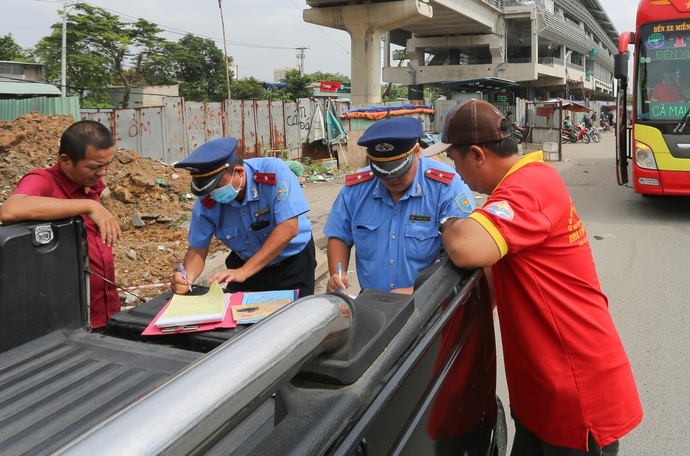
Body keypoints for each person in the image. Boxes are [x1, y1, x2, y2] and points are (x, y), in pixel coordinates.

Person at [423, 100, 642, 455]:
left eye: (454, 158)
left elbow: (465, 246)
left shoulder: (529, 187)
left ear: (477, 155)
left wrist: (446, 221)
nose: (454, 170)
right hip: (542, 386)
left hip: (573, 387)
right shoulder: (521, 186)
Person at [323, 117, 475, 294]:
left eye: (400, 170)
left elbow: (465, 250)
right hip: (373, 304)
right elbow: (339, 235)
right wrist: (337, 275)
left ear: (417, 152)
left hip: (430, 303)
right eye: (383, 172)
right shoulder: (357, 188)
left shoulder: (445, 186)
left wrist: (416, 290)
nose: (392, 178)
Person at [0, 120, 122, 330]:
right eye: (95, 167)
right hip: (71, 323)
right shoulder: (44, 180)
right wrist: (88, 206)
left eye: (107, 164)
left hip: (107, 311)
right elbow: (11, 209)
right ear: (65, 160)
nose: (102, 173)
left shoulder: (89, 184)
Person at [171, 137, 316, 296]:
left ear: (239, 172)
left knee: (294, 317)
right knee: (242, 318)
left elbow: (288, 229)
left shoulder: (273, 172)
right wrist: (188, 277)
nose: (213, 194)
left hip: (292, 264)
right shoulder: (208, 200)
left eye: (218, 186)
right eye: (209, 189)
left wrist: (244, 271)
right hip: (245, 268)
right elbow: (197, 249)